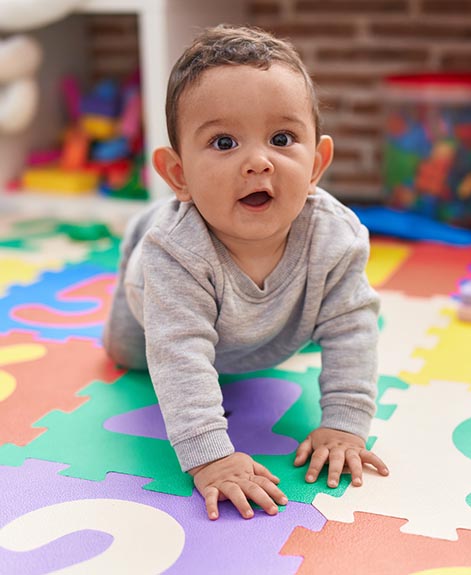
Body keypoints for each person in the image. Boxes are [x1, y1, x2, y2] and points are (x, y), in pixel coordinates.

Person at [103, 24, 388, 521]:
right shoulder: (174, 253)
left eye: (281, 138)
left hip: (265, 328)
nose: (258, 161)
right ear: (179, 175)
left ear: (317, 162)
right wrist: (211, 457)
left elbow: (352, 330)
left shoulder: (336, 238)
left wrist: (345, 423)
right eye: (224, 142)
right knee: (130, 357)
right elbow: (179, 355)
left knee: (328, 323)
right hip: (154, 302)